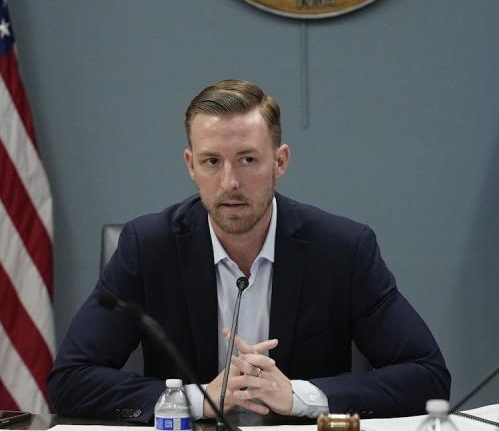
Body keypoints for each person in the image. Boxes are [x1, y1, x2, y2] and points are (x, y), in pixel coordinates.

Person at [47, 80, 451, 422]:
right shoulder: (147, 248)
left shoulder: (341, 249)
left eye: (247, 160)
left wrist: (298, 396)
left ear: (280, 161)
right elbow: (70, 380)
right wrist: (197, 399)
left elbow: (427, 374)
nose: (230, 183)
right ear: (191, 165)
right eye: (211, 161)